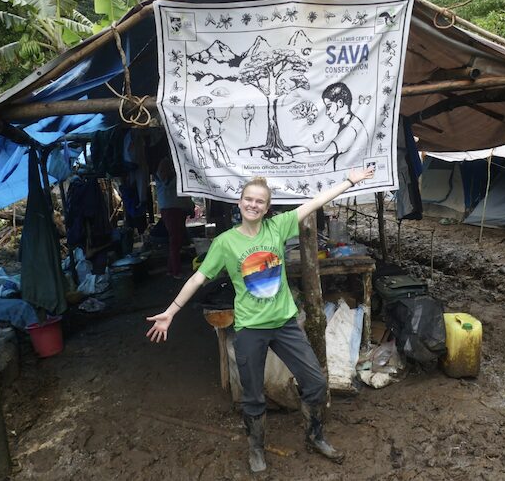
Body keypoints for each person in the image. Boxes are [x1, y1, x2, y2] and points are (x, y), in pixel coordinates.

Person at [146, 165, 374, 473]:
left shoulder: (277, 227)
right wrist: (171, 311)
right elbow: (198, 278)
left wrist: (348, 181)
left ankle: (314, 435)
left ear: (267, 208)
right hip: (250, 329)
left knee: (316, 383)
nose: (253, 205)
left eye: (260, 202)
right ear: (240, 203)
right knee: (252, 395)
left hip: (284, 325)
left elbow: (315, 203)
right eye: (248, 200)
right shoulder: (225, 242)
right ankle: (256, 447)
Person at [154, 158, 193, 279]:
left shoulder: (175, 170)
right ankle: (176, 271)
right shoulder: (166, 168)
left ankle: (172, 269)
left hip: (175, 208)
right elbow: (168, 183)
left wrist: (190, 206)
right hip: (171, 209)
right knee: (175, 240)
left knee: (176, 240)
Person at [320, 82, 370, 171]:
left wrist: (293, 156)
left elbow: (323, 157)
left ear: (340, 103)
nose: (327, 113)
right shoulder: (350, 122)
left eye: (328, 107)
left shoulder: (351, 128)